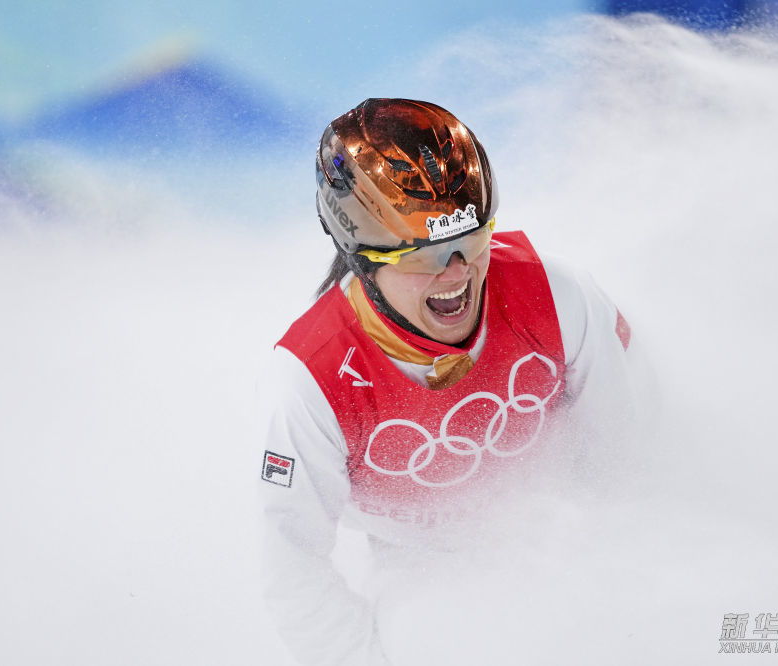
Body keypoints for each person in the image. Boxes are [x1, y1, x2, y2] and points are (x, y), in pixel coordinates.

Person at [257, 98, 642, 666]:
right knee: (427, 637)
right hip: (421, 563)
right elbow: (293, 571)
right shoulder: (314, 379)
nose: (458, 271)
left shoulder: (560, 297)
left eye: (471, 238)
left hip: (571, 534)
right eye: (425, 255)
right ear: (362, 257)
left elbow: (631, 464)